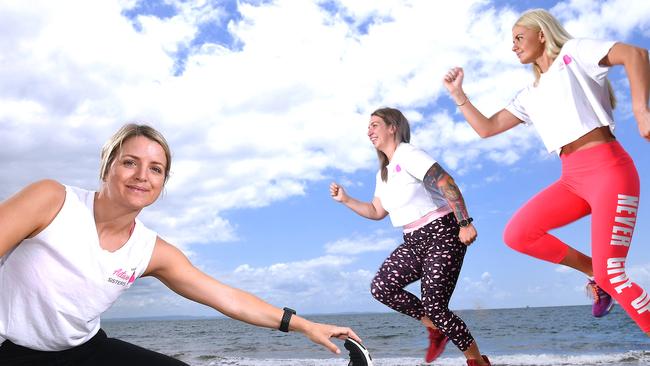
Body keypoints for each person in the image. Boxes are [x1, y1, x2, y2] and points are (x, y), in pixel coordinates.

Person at [0, 123, 362, 365]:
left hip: (83, 349)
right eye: (130, 162)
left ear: (162, 182)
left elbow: (228, 298)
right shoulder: (52, 200)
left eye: (156, 169)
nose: (142, 175)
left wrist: (305, 325)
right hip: (12, 350)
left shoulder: (151, 251)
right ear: (107, 166)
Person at [443, 8, 650, 335]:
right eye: (511, 41)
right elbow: (487, 127)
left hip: (609, 170)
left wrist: (642, 111)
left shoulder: (574, 53)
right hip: (572, 179)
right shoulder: (529, 95)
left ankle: (606, 278)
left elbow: (636, 54)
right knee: (518, 234)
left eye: (518, 37)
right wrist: (459, 96)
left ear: (542, 34)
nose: (513, 46)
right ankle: (596, 273)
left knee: (615, 273)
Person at [330, 107, 491, 366]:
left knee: (436, 305)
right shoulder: (383, 173)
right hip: (413, 240)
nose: (369, 131)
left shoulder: (409, 154)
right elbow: (375, 211)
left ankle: (478, 363)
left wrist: (464, 222)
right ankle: (434, 328)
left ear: (392, 126)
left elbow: (444, 181)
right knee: (382, 287)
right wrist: (346, 200)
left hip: (443, 233)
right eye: (368, 126)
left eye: (374, 125)